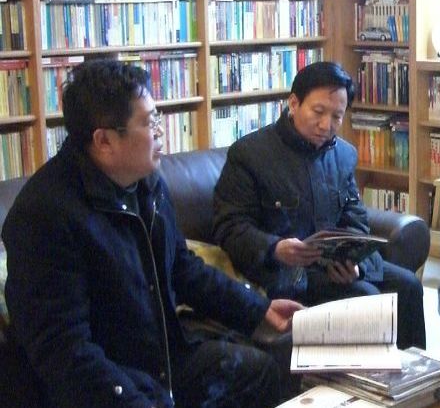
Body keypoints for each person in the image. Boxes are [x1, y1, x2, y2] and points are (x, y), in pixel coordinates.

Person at [2, 60, 304, 408]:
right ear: (104, 140)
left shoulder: (146, 183)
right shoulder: (44, 216)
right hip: (107, 382)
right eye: (148, 123)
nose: (160, 132)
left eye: (158, 118)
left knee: (260, 371)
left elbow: (182, 269)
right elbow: (64, 351)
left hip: (162, 360)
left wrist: (258, 309)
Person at [212, 61, 426, 350]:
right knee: (366, 298)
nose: (327, 125)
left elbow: (355, 218)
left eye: (337, 116)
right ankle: (372, 378)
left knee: (408, 286)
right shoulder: (249, 155)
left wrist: (355, 263)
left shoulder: (344, 155)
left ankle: (416, 373)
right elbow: (229, 227)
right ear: (294, 103)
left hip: (334, 266)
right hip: (286, 272)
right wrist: (275, 248)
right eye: (318, 112)